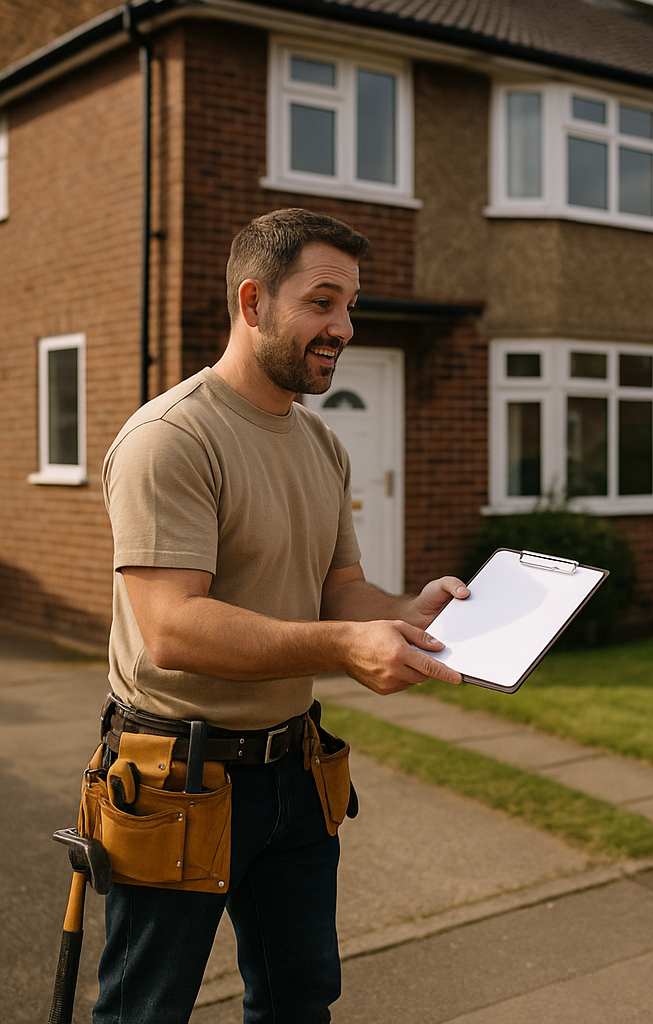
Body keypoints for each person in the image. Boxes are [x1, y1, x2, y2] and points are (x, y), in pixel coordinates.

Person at [93, 207, 468, 1024]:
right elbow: (174, 627)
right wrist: (344, 644)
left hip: (296, 773)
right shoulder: (172, 438)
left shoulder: (320, 443)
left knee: (299, 1001)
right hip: (176, 781)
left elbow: (339, 592)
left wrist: (408, 616)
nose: (344, 328)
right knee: (144, 1012)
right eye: (323, 302)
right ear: (253, 301)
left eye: (350, 306)